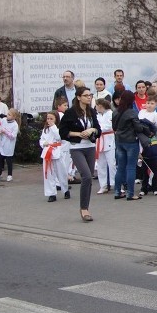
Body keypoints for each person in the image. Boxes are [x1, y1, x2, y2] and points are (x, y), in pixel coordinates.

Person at [58, 86, 101, 221]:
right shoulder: (70, 112)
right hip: (77, 147)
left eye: (90, 95)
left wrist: (92, 130)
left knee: (89, 179)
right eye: (86, 95)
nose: (89, 97)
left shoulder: (91, 112)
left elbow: (98, 130)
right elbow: (63, 132)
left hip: (90, 146)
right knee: (86, 176)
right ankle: (83, 209)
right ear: (78, 97)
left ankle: (86, 207)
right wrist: (78, 134)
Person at [112, 90, 146, 201]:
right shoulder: (132, 112)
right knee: (131, 167)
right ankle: (130, 193)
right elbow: (138, 127)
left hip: (119, 141)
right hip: (131, 142)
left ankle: (117, 192)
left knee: (120, 167)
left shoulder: (115, 111)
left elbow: (114, 127)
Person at [40, 111, 68, 201]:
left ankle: (65, 190)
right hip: (47, 152)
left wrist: (53, 126)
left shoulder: (58, 128)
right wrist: (44, 143)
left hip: (57, 152)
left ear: (56, 119)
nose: (49, 120)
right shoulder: (45, 129)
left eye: (51, 119)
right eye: (48, 118)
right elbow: (41, 140)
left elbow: (59, 137)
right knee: (48, 174)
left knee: (61, 172)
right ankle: (51, 193)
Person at [137, 97, 157, 196]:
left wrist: (153, 138)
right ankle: (144, 187)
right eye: (148, 103)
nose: (149, 105)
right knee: (144, 167)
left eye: (152, 103)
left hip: (152, 141)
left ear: (155, 105)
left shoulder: (155, 115)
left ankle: (155, 187)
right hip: (142, 142)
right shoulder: (141, 112)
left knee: (154, 166)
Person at [94, 98, 116, 194]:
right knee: (101, 164)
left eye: (96, 105)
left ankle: (115, 183)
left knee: (112, 163)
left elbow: (110, 126)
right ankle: (103, 185)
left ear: (100, 106)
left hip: (109, 139)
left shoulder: (110, 113)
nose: (95, 107)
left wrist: (98, 129)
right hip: (99, 140)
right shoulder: (97, 115)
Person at [0, 108, 20, 182]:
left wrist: (5, 131)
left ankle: (9, 175)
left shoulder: (15, 125)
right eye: (7, 113)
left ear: (14, 117)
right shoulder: (3, 120)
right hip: (1, 144)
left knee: (9, 161)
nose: (7, 115)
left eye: (9, 114)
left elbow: (13, 136)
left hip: (9, 145)